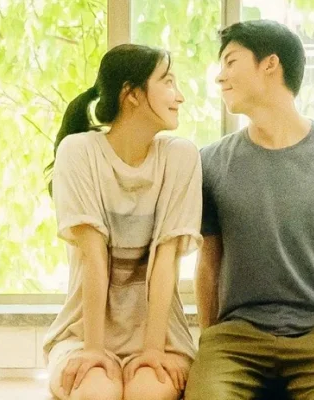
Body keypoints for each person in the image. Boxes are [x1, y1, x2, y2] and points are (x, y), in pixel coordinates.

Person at [185, 20, 314, 400]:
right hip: (236, 337)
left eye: (230, 62)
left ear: (270, 64)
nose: (220, 77)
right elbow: (208, 262)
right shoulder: (210, 163)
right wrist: (210, 337)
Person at [43, 43, 202, 400]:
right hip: (83, 332)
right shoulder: (78, 152)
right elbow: (93, 258)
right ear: (131, 94)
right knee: (96, 393)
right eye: (168, 82)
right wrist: (93, 350)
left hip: (162, 335)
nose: (179, 96)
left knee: (148, 392)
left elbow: (166, 260)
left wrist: (153, 350)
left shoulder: (181, 156)